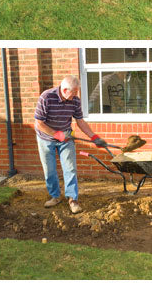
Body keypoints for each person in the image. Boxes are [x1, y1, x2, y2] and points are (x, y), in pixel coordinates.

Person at [34, 76, 107, 214]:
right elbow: (39, 123)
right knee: (49, 170)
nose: (76, 96)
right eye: (74, 92)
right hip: (45, 138)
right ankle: (55, 196)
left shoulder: (75, 101)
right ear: (65, 90)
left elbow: (80, 121)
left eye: (77, 92)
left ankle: (73, 199)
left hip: (66, 138)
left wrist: (94, 137)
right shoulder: (46, 97)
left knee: (70, 168)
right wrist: (57, 135)